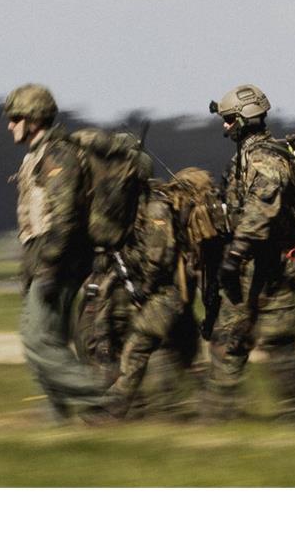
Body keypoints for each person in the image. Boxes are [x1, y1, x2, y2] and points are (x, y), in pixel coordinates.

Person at [200, 84, 295, 424]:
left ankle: (217, 419)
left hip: (259, 266)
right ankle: (294, 419)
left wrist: (234, 255)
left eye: (229, 120)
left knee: (241, 343)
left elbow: (261, 207)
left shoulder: (263, 157)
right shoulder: (254, 155)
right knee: (268, 345)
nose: (225, 127)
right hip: (267, 265)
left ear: (244, 119)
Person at [4, 83, 109, 423]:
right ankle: (55, 417)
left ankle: (104, 397)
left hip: (58, 261)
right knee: (46, 340)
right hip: (44, 258)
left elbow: (63, 218)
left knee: (37, 340)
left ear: (34, 119)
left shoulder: (57, 155)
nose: (10, 125)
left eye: (16, 117)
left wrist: (48, 266)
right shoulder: (39, 154)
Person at [102, 168, 220, 420]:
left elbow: (158, 257)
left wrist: (143, 288)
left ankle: (112, 412)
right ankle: (215, 407)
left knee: (137, 348)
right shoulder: (144, 205)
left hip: (167, 292)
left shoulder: (155, 208)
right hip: (175, 291)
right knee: (186, 354)